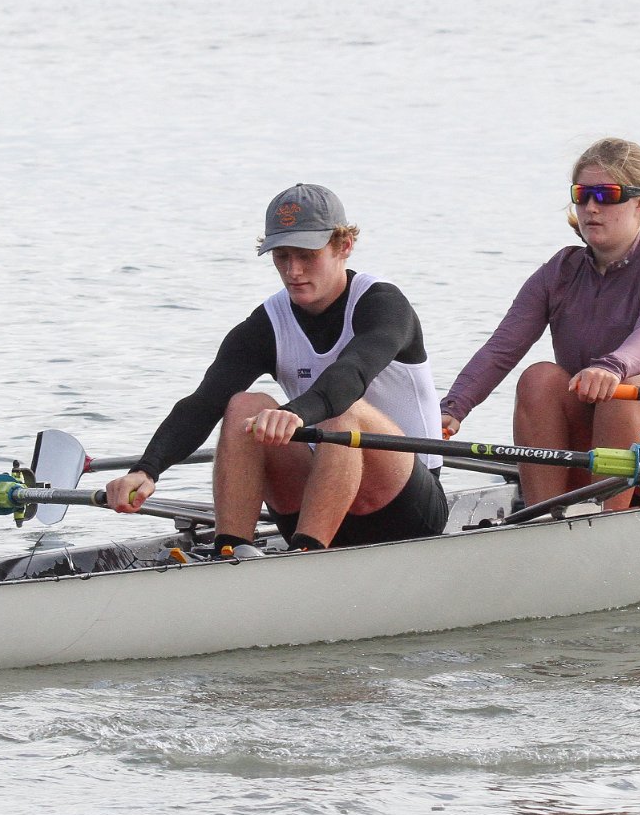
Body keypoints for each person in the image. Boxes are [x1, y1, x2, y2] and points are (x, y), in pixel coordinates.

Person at [104, 183, 448, 554]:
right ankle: (232, 551)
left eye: (306, 255)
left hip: (408, 507)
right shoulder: (268, 323)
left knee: (343, 413)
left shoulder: (383, 305)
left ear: (343, 246)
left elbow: (351, 375)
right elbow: (203, 403)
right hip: (320, 497)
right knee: (244, 406)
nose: (293, 271)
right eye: (281, 256)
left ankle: (306, 557)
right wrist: (146, 469)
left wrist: (294, 414)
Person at [440, 137, 640, 510]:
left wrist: (611, 368)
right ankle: (542, 518)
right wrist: (451, 410)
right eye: (582, 195)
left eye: (607, 195)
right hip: (603, 436)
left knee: (627, 385)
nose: (591, 207)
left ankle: (606, 521)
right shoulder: (558, 273)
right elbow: (502, 348)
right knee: (539, 377)